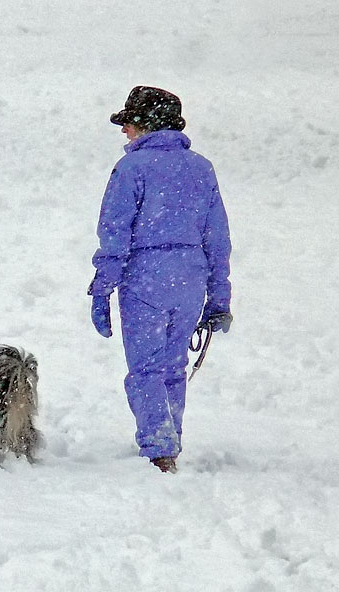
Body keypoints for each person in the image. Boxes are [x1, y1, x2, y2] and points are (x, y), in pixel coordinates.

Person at [88, 86, 232, 473]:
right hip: (190, 279)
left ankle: (159, 447)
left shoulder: (131, 170)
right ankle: (170, 437)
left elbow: (115, 232)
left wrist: (103, 287)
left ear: (146, 125)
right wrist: (219, 296)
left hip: (145, 280)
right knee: (172, 367)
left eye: (129, 122)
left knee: (146, 369)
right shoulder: (202, 168)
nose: (124, 131)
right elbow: (217, 239)